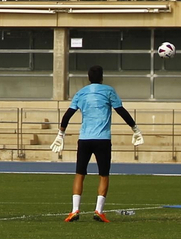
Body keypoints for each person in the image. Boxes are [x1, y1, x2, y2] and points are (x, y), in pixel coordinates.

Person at [57, 64, 141, 223]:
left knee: (80, 173)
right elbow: (121, 110)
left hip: (84, 139)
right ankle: (99, 211)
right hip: (102, 139)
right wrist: (135, 128)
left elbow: (68, 115)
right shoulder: (108, 91)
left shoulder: (81, 93)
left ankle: (74, 210)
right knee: (103, 174)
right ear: (102, 77)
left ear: (88, 78)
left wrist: (61, 133)